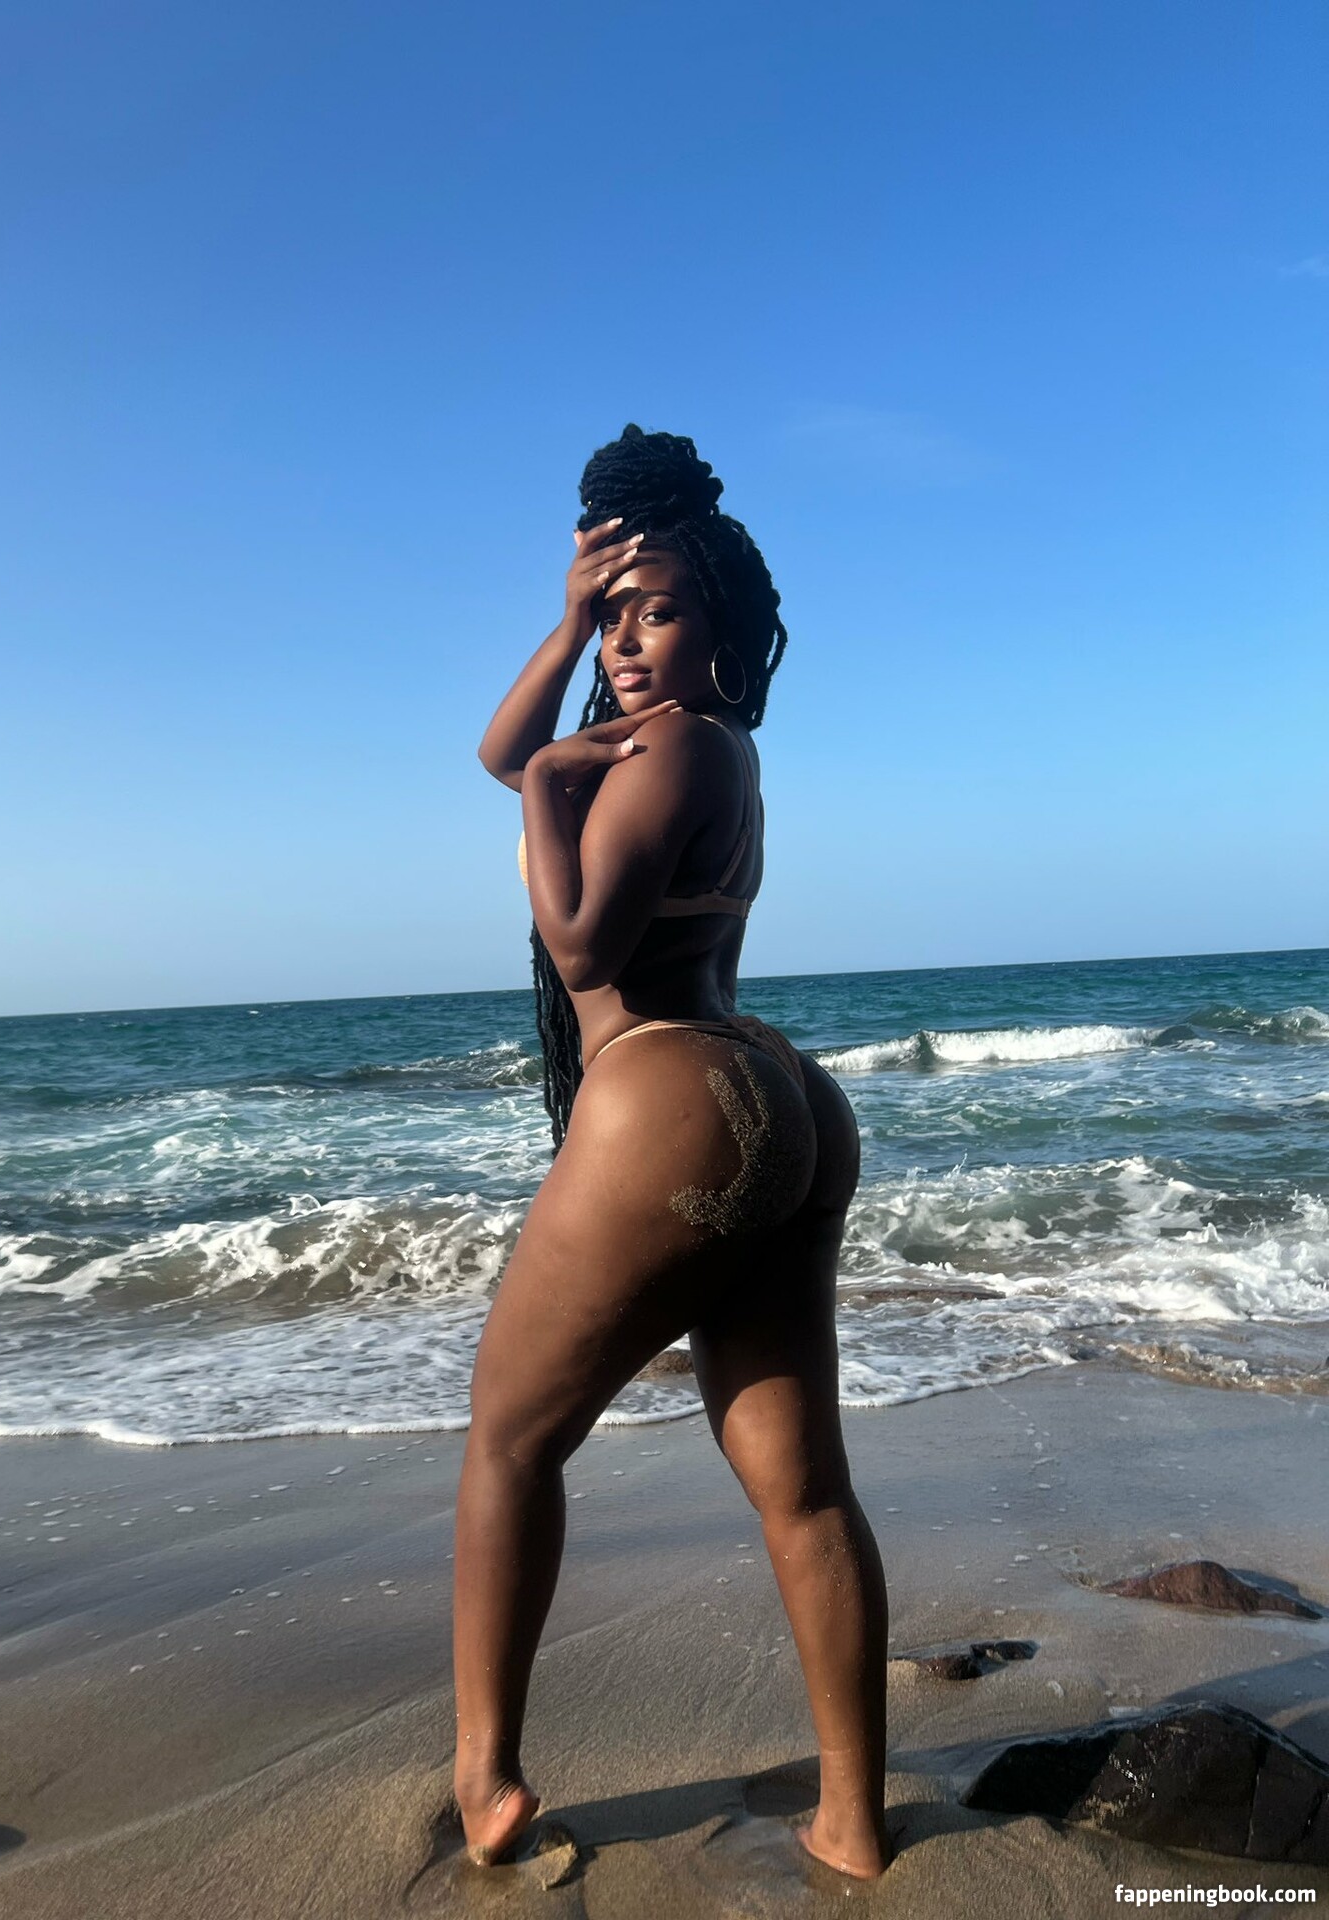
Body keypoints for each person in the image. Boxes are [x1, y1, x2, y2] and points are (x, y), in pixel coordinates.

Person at [453, 424, 892, 1881]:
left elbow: (585, 942)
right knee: (801, 1483)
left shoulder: (676, 743)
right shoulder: (711, 748)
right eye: (616, 621)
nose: (630, 644)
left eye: (659, 614)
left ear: (724, 633)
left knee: (511, 1441)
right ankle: (850, 1818)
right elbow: (502, 746)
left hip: (667, 1092)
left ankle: (486, 1776)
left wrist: (545, 792)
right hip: (774, 1095)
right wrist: (567, 622)